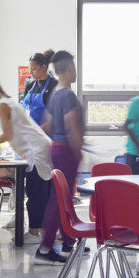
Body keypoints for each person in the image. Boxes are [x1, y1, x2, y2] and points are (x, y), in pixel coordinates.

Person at [36, 50, 84, 265]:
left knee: (64, 197)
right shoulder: (68, 96)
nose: (75, 71)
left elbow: (48, 123)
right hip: (66, 150)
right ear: (70, 67)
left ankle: (68, 239)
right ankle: (45, 248)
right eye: (74, 66)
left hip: (55, 148)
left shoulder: (55, 94)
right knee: (59, 200)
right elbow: (71, 126)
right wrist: (78, 150)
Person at [0, 71, 52, 190]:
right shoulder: (9, 102)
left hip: (37, 152)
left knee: (36, 197)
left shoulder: (3, 105)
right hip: (41, 148)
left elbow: (7, 135)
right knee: (40, 194)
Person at [19, 51, 57, 229]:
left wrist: (35, 132)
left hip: (48, 142)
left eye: (33, 69)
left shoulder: (54, 86)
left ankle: (46, 228)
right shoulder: (30, 86)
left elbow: (54, 119)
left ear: (43, 67)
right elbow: (25, 112)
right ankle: (35, 226)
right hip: (32, 143)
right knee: (34, 187)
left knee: (47, 188)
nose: (30, 72)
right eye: (30, 69)